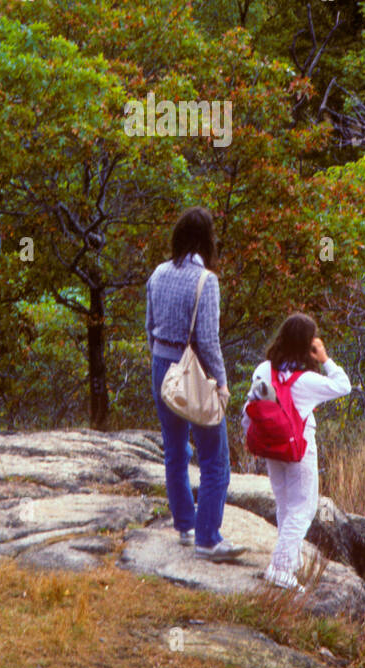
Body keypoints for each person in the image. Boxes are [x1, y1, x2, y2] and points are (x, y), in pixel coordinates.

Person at [146, 207, 246, 562]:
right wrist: (221, 383)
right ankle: (208, 538)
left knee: (174, 451)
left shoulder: (158, 273)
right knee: (215, 458)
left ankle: (185, 525)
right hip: (197, 372)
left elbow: (149, 325)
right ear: (207, 241)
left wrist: (164, 365)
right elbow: (208, 340)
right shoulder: (207, 281)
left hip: (162, 367)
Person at [242, 312, 351, 590]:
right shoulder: (306, 381)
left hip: (271, 446)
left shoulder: (263, 370)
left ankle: (287, 560)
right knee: (304, 508)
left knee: (285, 504)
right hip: (299, 448)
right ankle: (280, 568)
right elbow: (343, 386)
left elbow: (250, 406)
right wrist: (325, 358)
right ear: (307, 345)